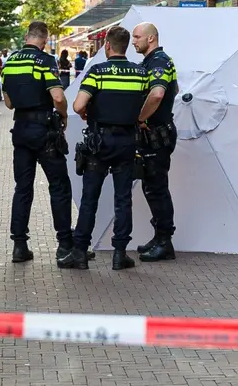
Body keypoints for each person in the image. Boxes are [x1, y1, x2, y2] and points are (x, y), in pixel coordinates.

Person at [58, 26, 146, 271]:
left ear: (107, 45)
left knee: (90, 198)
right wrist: (138, 118)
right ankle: (119, 254)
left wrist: (88, 111)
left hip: (99, 142)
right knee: (123, 198)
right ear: (126, 45)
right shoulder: (140, 73)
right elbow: (150, 100)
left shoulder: (97, 71)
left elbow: (77, 105)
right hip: (128, 142)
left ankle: (79, 253)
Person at [0, 21, 73, 263]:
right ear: (44, 40)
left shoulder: (9, 62)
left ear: (26, 36)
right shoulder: (45, 61)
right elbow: (58, 96)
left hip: (20, 129)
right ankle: (64, 245)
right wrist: (62, 114)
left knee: (22, 188)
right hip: (44, 131)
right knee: (59, 186)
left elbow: (8, 102)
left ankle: (20, 246)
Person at [131, 22, 178, 262]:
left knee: (157, 188)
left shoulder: (158, 61)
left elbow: (158, 93)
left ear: (151, 38)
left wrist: (141, 117)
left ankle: (164, 242)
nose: (133, 41)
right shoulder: (152, 62)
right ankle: (158, 236)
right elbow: (175, 89)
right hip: (154, 133)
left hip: (157, 134)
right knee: (151, 187)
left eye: (137, 37)